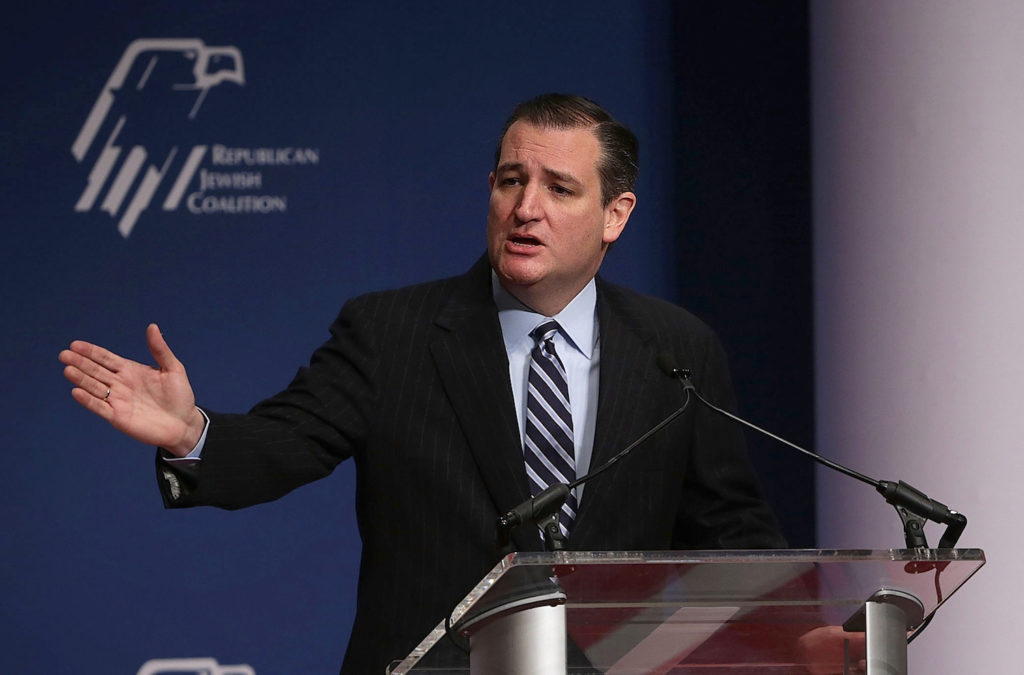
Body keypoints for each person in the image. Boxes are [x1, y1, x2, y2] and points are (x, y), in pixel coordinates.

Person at [60, 93, 785, 674]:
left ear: (614, 216)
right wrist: (193, 433)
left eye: (559, 188)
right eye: (511, 180)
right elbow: (289, 441)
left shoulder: (675, 349)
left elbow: (729, 531)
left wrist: (792, 627)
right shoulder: (392, 332)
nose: (526, 207)